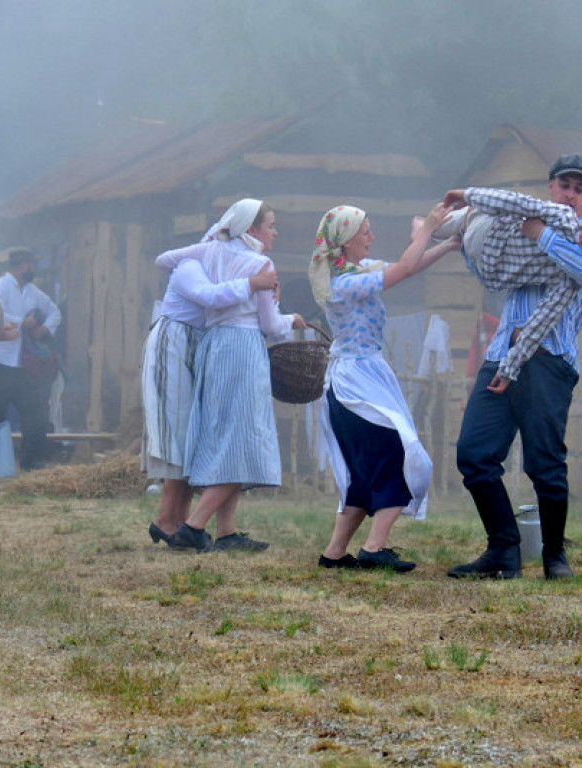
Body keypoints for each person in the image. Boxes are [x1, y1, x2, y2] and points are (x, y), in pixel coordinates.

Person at [448, 153, 582, 580]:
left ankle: (554, 555)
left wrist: (539, 232)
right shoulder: (526, 231)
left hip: (549, 363)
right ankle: (503, 550)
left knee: (544, 464)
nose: (571, 194)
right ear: (551, 188)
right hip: (501, 355)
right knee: (474, 454)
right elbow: (493, 272)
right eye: (564, 186)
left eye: (580, 188)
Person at [310, 203, 461, 571]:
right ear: (346, 241)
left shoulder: (353, 272)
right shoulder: (345, 284)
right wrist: (427, 228)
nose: (371, 237)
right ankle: (375, 549)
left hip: (361, 378)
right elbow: (405, 267)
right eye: (365, 232)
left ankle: (333, 554)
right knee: (399, 455)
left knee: (364, 471)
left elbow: (406, 268)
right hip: (355, 384)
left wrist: (447, 244)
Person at [169, 199, 305, 552]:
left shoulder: (209, 254)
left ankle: (226, 532)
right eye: (271, 225)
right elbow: (271, 325)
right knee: (244, 436)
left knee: (224, 434)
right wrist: (293, 320)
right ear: (252, 229)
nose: (275, 232)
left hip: (214, 346)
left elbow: (168, 262)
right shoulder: (260, 263)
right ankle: (194, 525)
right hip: (243, 348)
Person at [434, 186, 582, 392]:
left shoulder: (565, 217)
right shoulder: (571, 278)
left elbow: (517, 202)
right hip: (487, 269)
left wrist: (467, 195)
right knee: (470, 222)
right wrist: (508, 370)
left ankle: (428, 229)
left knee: (475, 212)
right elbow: (541, 321)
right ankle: (434, 231)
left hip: (486, 234)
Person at [142, 248, 278, 546]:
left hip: (202, 344)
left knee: (195, 434)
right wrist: (253, 284)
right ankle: (169, 518)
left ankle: (189, 522)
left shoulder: (223, 268)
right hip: (176, 343)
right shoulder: (190, 265)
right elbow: (208, 296)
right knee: (176, 432)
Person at [0, 247, 62, 473]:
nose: (34, 269)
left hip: (24, 364)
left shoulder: (34, 292)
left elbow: (55, 313)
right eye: (33, 264)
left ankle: (31, 459)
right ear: (24, 265)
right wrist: (23, 322)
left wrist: (42, 329)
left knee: (34, 412)